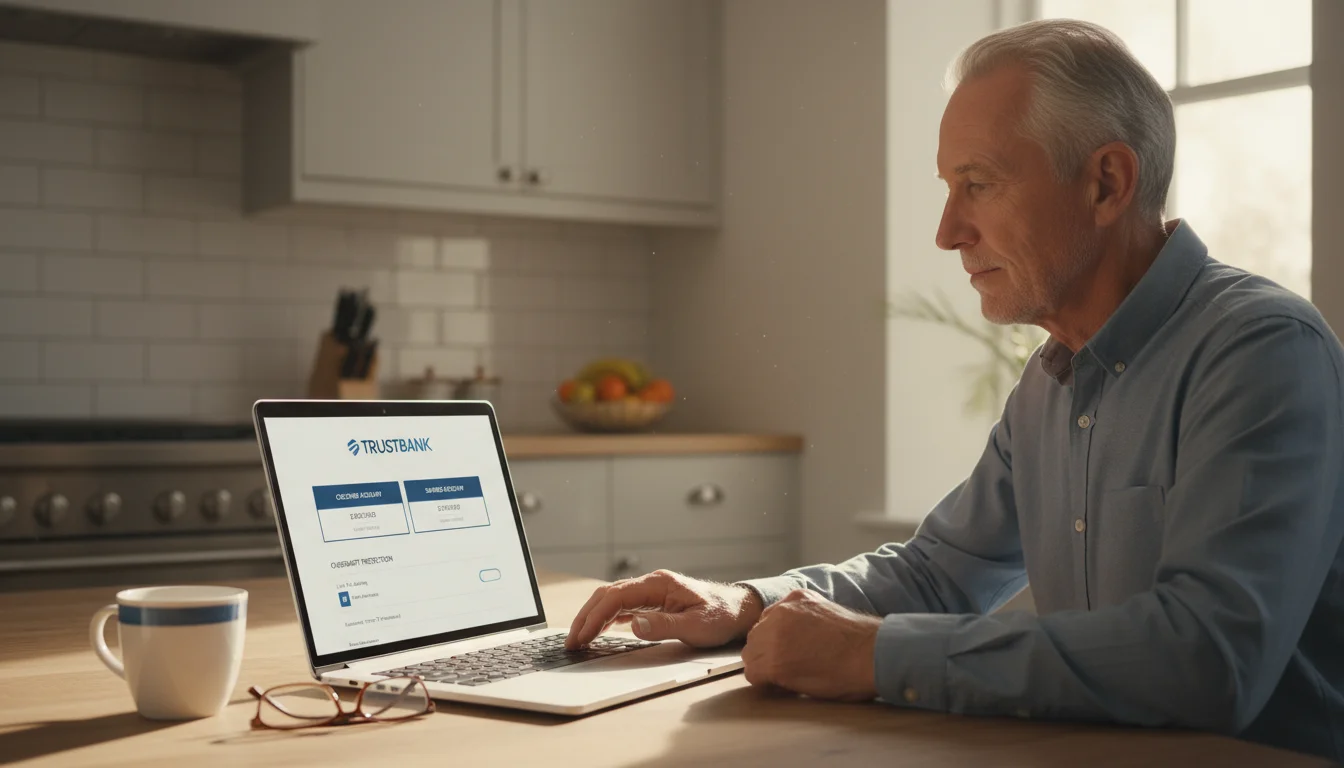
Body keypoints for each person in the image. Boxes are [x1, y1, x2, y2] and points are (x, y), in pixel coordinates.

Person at [563, 18, 1344, 761]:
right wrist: (749, 601)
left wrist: (874, 655)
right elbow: (939, 573)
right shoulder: (1051, 380)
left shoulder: (1264, 351)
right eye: (949, 185)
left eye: (978, 184)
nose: (947, 231)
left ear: (1107, 182)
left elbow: (1207, 659)